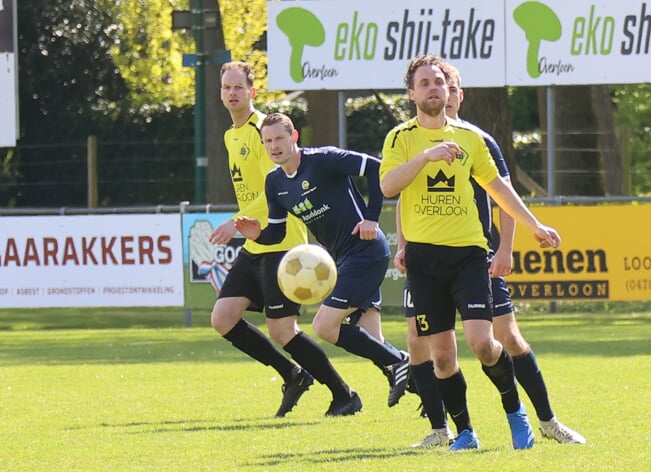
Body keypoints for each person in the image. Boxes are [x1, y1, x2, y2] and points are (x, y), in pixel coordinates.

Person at [394, 62, 587, 447]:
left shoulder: (477, 140)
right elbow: (401, 194)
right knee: (428, 343)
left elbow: (502, 195)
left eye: (444, 85)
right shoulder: (407, 140)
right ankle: (446, 430)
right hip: (427, 256)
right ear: (414, 93)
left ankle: (546, 420)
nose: (438, 91)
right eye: (428, 84)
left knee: (504, 338)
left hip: (475, 256)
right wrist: (402, 245)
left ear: (457, 94)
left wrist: (505, 248)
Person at [234, 112, 411, 411]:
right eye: (267, 141)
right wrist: (258, 234)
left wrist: (371, 218)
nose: (274, 146)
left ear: (294, 137)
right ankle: (428, 391)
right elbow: (276, 233)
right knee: (372, 339)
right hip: (341, 261)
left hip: (366, 250)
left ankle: (399, 361)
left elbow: (375, 168)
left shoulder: (324, 159)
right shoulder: (275, 182)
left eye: (279, 138)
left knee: (325, 326)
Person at [211, 61, 358, 417]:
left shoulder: (264, 130)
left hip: (281, 243)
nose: (232, 93)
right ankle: (292, 374)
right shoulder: (231, 135)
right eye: (227, 88)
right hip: (254, 244)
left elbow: (276, 186)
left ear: (252, 92)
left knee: (282, 330)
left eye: (238, 88)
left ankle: (344, 394)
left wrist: (235, 221)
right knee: (223, 318)